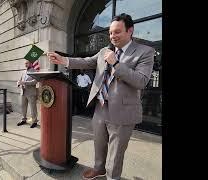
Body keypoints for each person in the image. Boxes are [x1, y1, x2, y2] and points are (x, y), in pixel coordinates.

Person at [47, 13, 154, 180]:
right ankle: (99, 168)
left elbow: (141, 81)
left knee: (116, 152)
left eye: (117, 32)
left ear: (130, 31)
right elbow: (87, 61)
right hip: (101, 106)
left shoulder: (144, 52)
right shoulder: (105, 50)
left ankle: (112, 177)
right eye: (111, 33)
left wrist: (116, 64)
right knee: (99, 142)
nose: (112, 36)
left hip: (124, 111)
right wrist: (64, 60)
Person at [17, 60, 38, 128]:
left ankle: (34, 121)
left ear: (31, 64)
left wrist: (24, 83)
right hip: (23, 92)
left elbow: (35, 82)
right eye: (25, 63)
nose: (25, 64)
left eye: (27, 63)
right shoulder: (23, 72)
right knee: (23, 107)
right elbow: (19, 80)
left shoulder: (34, 71)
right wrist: (19, 84)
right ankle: (23, 120)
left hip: (31, 93)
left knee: (33, 108)